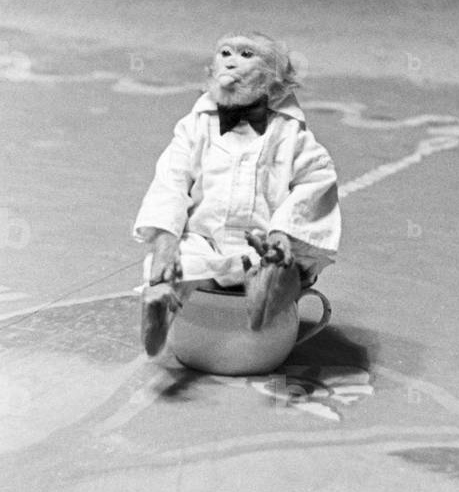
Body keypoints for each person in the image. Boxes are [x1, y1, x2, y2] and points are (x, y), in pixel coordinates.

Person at [133, 32, 341, 356]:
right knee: (183, 261)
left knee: (282, 264)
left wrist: (283, 233)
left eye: (247, 54)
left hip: (261, 245)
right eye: (225, 52)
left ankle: (272, 286)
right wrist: (166, 240)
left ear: (276, 80)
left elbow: (317, 181)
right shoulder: (194, 127)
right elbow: (170, 180)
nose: (231, 60)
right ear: (210, 71)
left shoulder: (290, 134)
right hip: (205, 239)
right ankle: (163, 299)